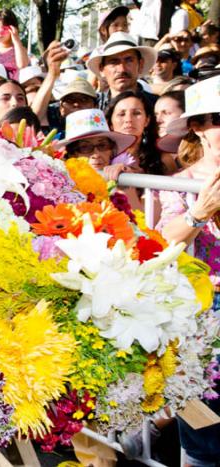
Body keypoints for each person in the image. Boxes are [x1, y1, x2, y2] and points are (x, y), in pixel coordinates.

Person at [157, 75, 220, 467]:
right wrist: (200, 211)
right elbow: (165, 241)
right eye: (216, 118)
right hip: (201, 309)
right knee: (204, 441)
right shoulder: (178, 184)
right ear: (197, 127)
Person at [106, 90, 175, 176]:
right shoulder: (99, 156)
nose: (128, 119)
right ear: (110, 123)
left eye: (136, 113)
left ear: (147, 120)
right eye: (121, 114)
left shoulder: (163, 160)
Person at [87, 31, 158, 111]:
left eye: (129, 60)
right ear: (101, 69)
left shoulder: (157, 106)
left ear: (140, 65)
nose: (122, 69)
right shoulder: (91, 107)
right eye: (114, 62)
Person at [59, 108, 136, 174]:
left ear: (111, 150)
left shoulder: (123, 174)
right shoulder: (58, 184)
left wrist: (123, 176)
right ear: (72, 155)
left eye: (102, 145)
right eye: (85, 147)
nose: (96, 154)